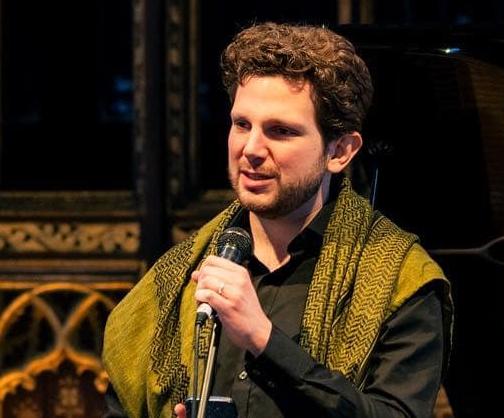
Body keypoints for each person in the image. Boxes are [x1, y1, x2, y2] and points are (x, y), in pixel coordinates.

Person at [102, 22, 452, 418]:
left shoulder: (401, 280)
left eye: (281, 131)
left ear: (340, 151)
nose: (251, 149)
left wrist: (265, 341)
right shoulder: (179, 275)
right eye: (241, 124)